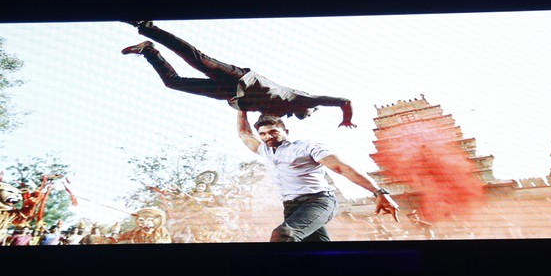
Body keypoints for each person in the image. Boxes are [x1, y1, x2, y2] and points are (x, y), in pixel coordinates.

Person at [122, 20, 357, 127]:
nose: (308, 115)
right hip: (240, 79)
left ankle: (148, 50)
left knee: (174, 83)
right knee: (197, 59)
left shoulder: (274, 113)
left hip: (226, 92)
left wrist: (237, 106)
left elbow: (251, 119)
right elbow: (344, 101)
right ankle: (145, 25)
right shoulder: (301, 99)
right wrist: (346, 119)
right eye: (311, 113)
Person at [237, 110, 399, 242]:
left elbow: (341, 168)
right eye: (263, 134)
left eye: (273, 132)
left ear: (286, 131)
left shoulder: (305, 147)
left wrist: (379, 192)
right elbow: (244, 132)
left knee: (284, 235)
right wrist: (241, 108)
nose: (268, 137)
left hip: (318, 202)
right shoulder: (264, 151)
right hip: (291, 207)